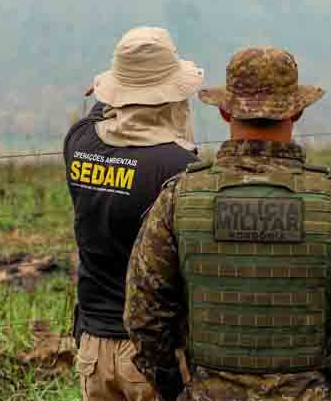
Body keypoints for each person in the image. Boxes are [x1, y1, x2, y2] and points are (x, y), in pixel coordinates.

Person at [124, 46, 331, 401]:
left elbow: (144, 315)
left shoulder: (179, 198)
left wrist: (177, 391)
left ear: (224, 111)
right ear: (297, 111)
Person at [64, 27, 204, 401]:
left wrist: (113, 89)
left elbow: (98, 115)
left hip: (92, 347)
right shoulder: (178, 168)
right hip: (151, 352)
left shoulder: (79, 142)